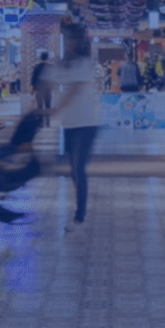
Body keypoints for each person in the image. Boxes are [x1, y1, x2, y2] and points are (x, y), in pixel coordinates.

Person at [50, 25, 100, 226]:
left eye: (70, 39)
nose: (68, 43)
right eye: (65, 39)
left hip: (87, 124)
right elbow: (51, 81)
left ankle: (80, 213)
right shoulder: (63, 65)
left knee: (79, 169)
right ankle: (80, 208)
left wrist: (54, 109)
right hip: (69, 124)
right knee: (73, 170)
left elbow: (74, 90)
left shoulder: (84, 63)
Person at [30, 51, 53, 127]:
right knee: (48, 106)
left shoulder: (36, 67)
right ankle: (48, 122)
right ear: (47, 58)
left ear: (40, 58)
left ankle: (40, 122)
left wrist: (32, 91)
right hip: (48, 90)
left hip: (38, 90)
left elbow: (33, 80)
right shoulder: (50, 67)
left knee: (40, 106)